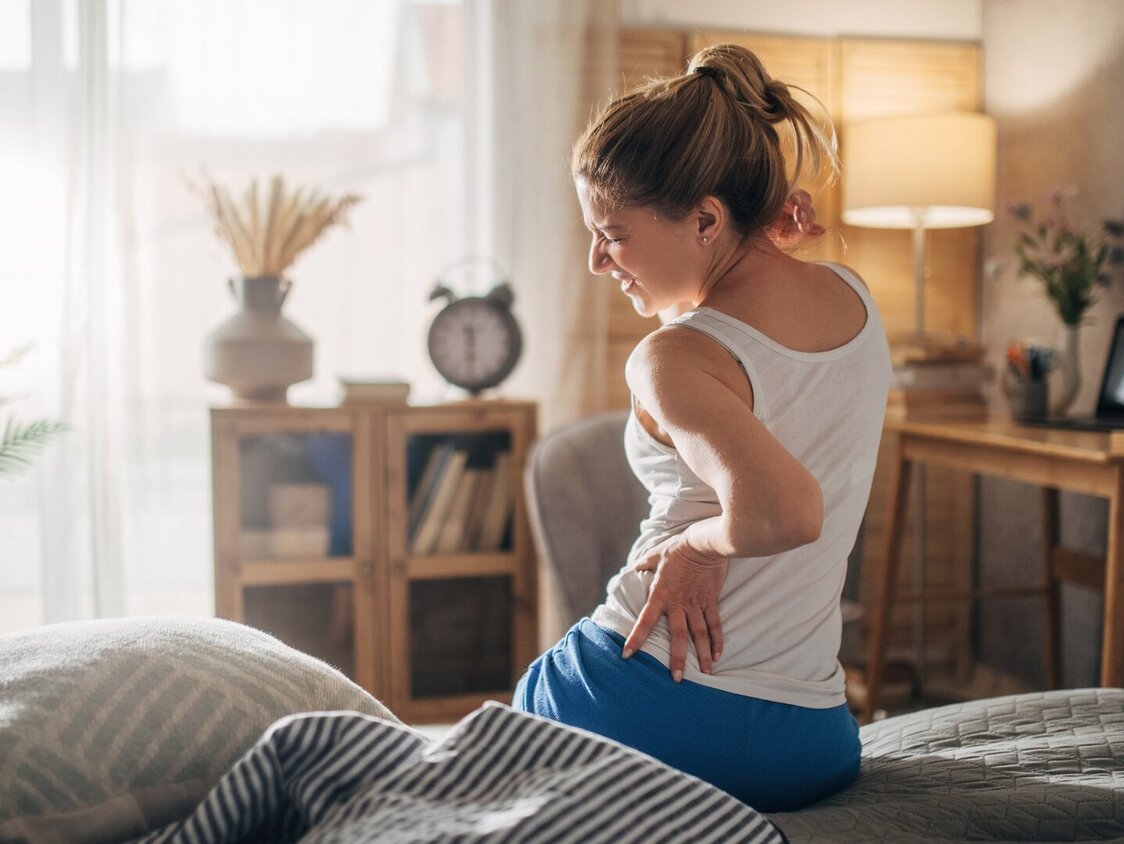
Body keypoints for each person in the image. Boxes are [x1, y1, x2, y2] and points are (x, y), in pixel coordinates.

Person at [513, 43, 892, 812]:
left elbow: (785, 511)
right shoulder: (856, 303)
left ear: (706, 218)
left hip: (647, 707)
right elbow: (770, 342)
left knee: (518, 710)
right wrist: (750, 238)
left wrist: (694, 545)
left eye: (612, 233)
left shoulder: (672, 357)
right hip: (812, 738)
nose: (596, 260)